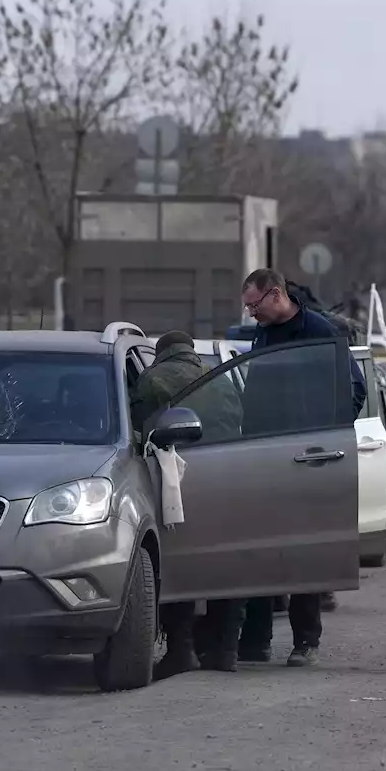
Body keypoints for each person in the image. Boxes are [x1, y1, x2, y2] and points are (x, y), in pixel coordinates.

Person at [236, 268, 366, 667]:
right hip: (262, 457)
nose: (250, 313)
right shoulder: (263, 334)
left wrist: (323, 432)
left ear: (276, 295)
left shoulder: (321, 333)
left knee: (303, 555)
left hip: (306, 457)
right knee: (259, 552)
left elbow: (354, 389)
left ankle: (305, 641)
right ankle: (255, 640)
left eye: (254, 305)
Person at [129, 330, 245, 678]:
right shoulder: (222, 379)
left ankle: (181, 650)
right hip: (228, 479)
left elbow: (137, 432)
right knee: (227, 566)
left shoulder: (152, 380)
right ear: (191, 352)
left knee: (175, 561)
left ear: (161, 354)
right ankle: (226, 650)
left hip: (176, 480)